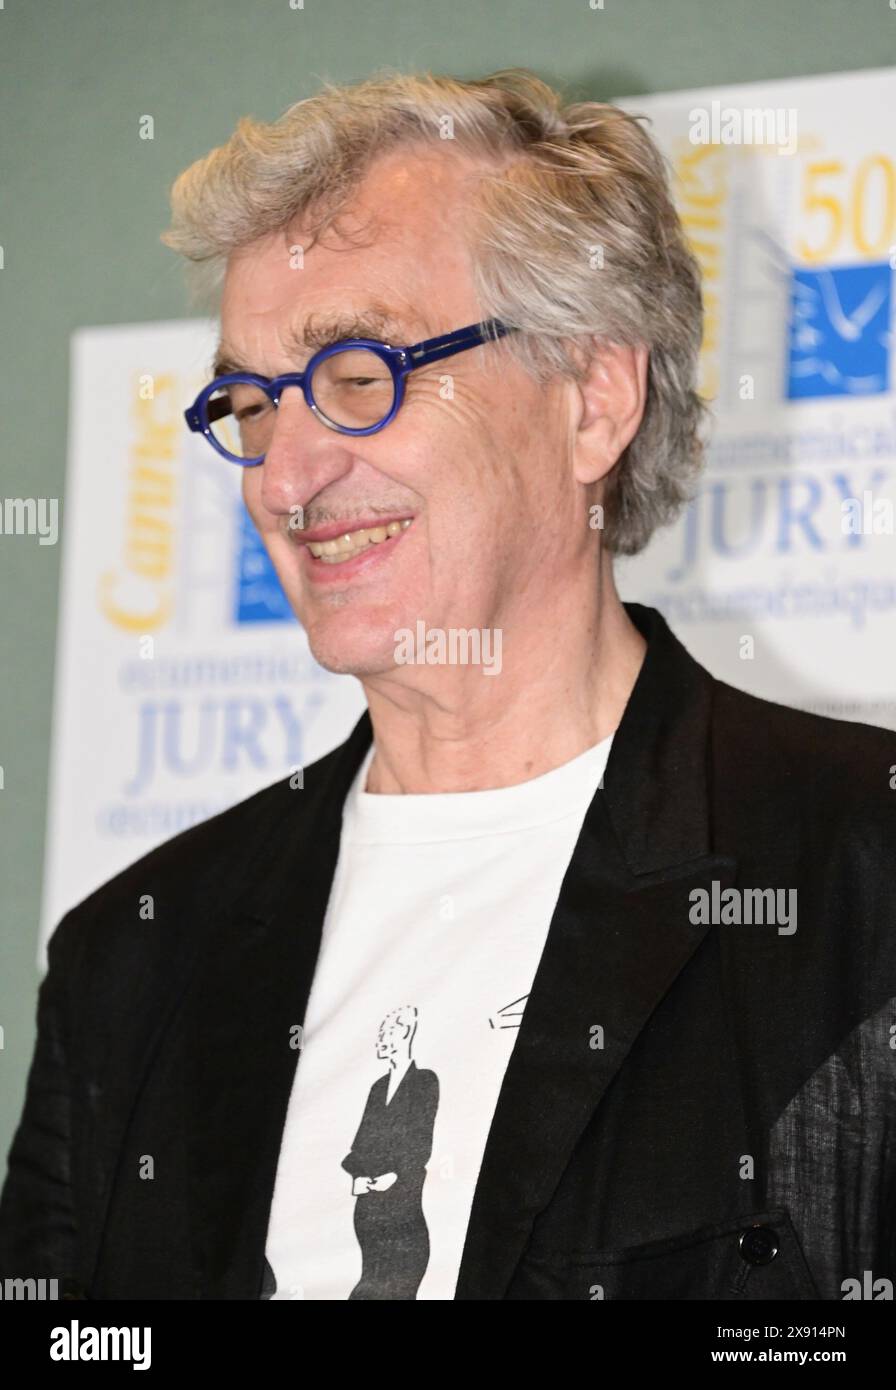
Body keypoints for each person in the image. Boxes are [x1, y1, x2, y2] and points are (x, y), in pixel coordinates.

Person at [1, 69, 893, 1302]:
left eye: (358, 375)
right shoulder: (129, 967)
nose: (281, 477)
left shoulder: (860, 876)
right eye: (249, 405)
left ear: (591, 398)